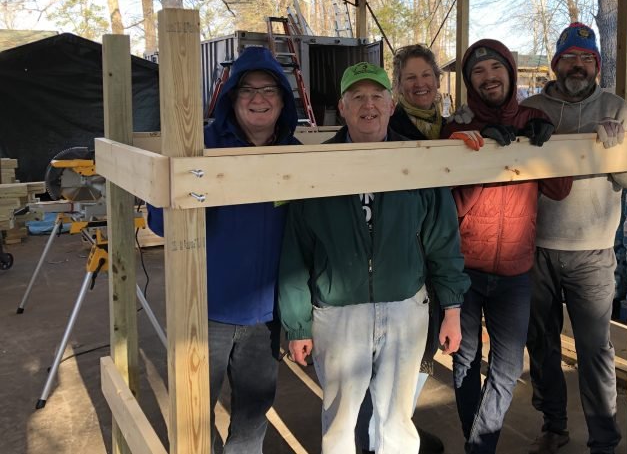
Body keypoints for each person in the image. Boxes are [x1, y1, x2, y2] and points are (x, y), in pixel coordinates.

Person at [278, 61, 471, 454]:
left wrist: (451, 308)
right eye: (358, 97)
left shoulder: (417, 159)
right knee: (339, 424)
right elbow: (296, 251)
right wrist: (298, 324)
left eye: (377, 96)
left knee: (396, 421)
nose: (369, 105)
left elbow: (442, 240)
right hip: (338, 313)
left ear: (391, 103)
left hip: (405, 307)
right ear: (343, 107)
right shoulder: (316, 167)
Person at [147, 46, 300, 453]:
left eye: (269, 89)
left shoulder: (298, 154)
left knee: (253, 412)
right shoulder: (198, 146)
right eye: (247, 89)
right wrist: (196, 187)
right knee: (195, 415)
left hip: (267, 316)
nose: (258, 98)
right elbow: (160, 222)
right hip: (204, 311)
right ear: (232, 97)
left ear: (283, 100)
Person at [441, 39, 573, 454]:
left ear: (510, 73)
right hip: (465, 267)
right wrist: (484, 158)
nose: (488, 77)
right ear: (468, 82)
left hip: (516, 270)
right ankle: (477, 444)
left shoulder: (535, 118)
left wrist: (544, 146)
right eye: (477, 72)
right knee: (464, 360)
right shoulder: (456, 129)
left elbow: (559, 187)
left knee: (509, 365)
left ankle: (479, 445)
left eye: (495, 69)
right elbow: (454, 207)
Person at [521, 22, 627, 454]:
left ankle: (603, 442)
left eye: (586, 59)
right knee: (541, 345)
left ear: (596, 65)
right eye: (569, 58)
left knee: (595, 351)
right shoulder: (532, 107)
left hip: (593, 254)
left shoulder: (617, 108)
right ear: (556, 64)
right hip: (535, 251)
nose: (577, 66)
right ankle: (553, 426)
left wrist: (615, 149)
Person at [355, 45, 448, 454]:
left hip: (437, 257)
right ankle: (380, 439)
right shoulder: (388, 132)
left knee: (418, 359)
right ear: (398, 90)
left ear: (438, 81)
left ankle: (397, 430)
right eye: (409, 78)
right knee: (380, 367)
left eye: (425, 75)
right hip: (397, 266)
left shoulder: (451, 128)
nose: (419, 84)